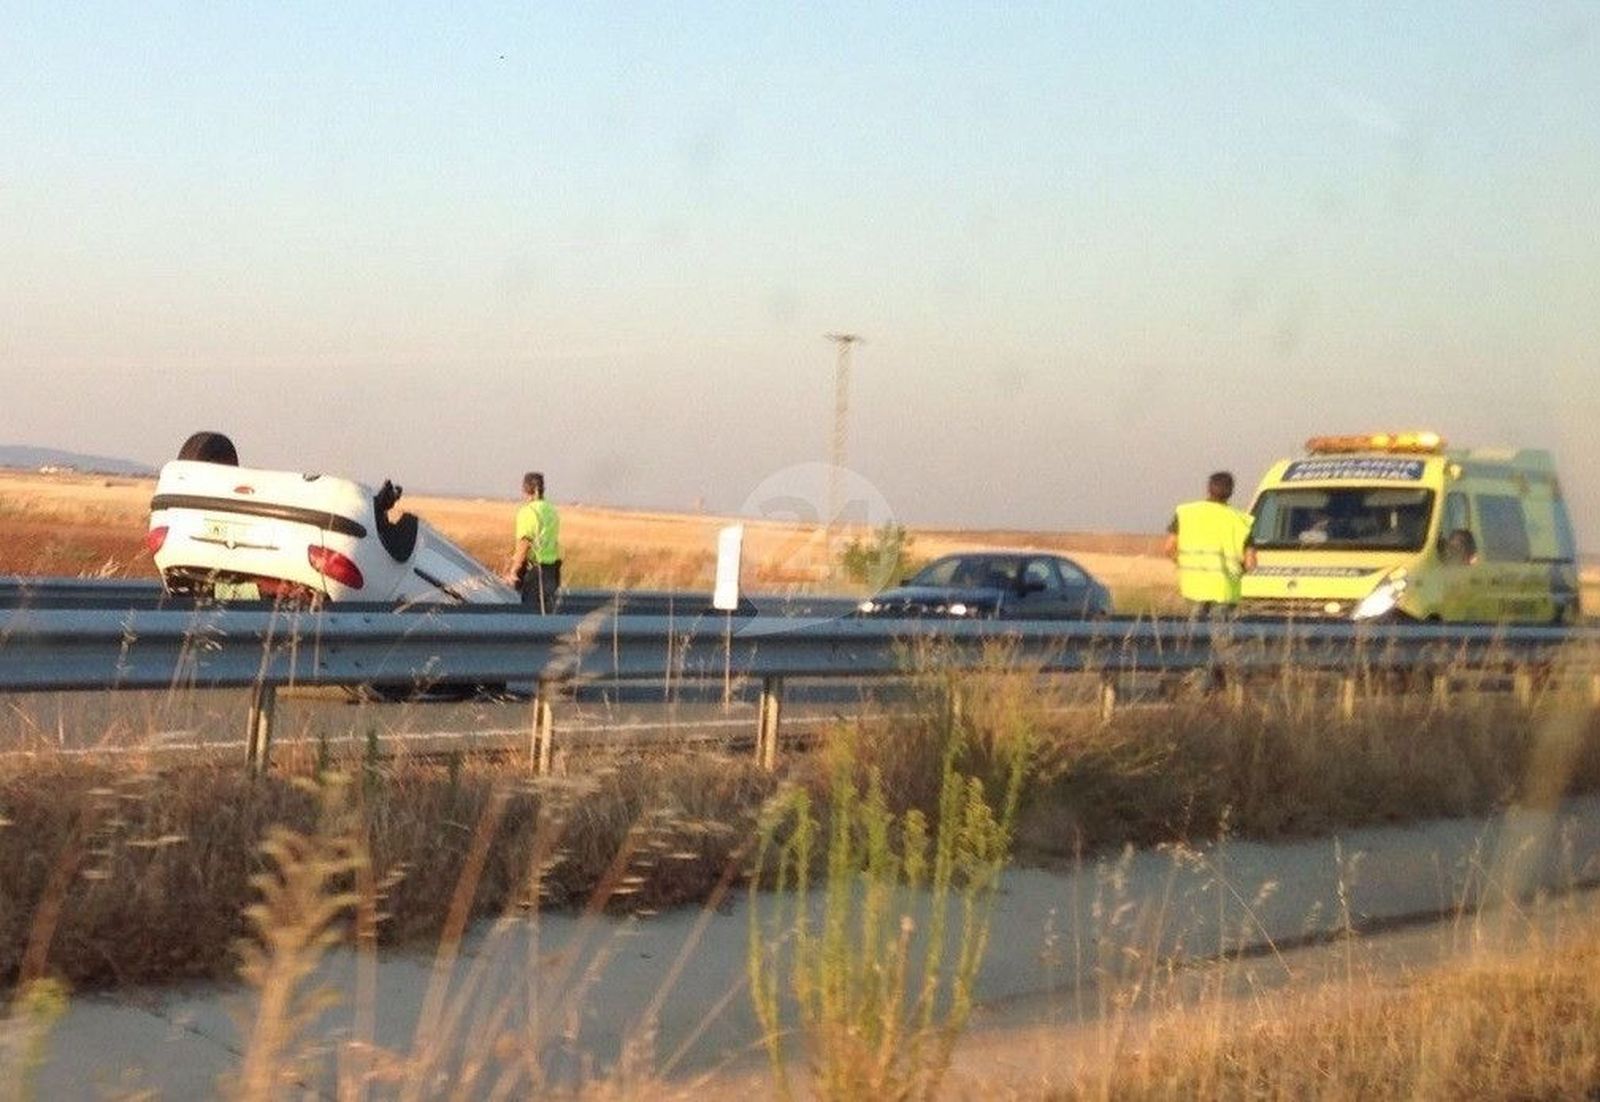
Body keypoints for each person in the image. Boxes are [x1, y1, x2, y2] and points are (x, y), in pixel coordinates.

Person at [1164, 471, 1254, 618]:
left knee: (1193, 635)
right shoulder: (1242, 520)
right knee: (1220, 635)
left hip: (1193, 587)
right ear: (1231, 491)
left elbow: (1168, 548)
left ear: (1208, 489)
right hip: (1225, 590)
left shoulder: (1186, 513)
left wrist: (1182, 562)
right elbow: (1250, 563)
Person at [503, 471, 562, 612]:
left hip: (535, 572)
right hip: (552, 571)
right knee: (547, 615)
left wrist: (514, 572)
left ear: (527, 490)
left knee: (530, 614)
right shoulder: (551, 510)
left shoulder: (528, 512)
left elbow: (524, 544)